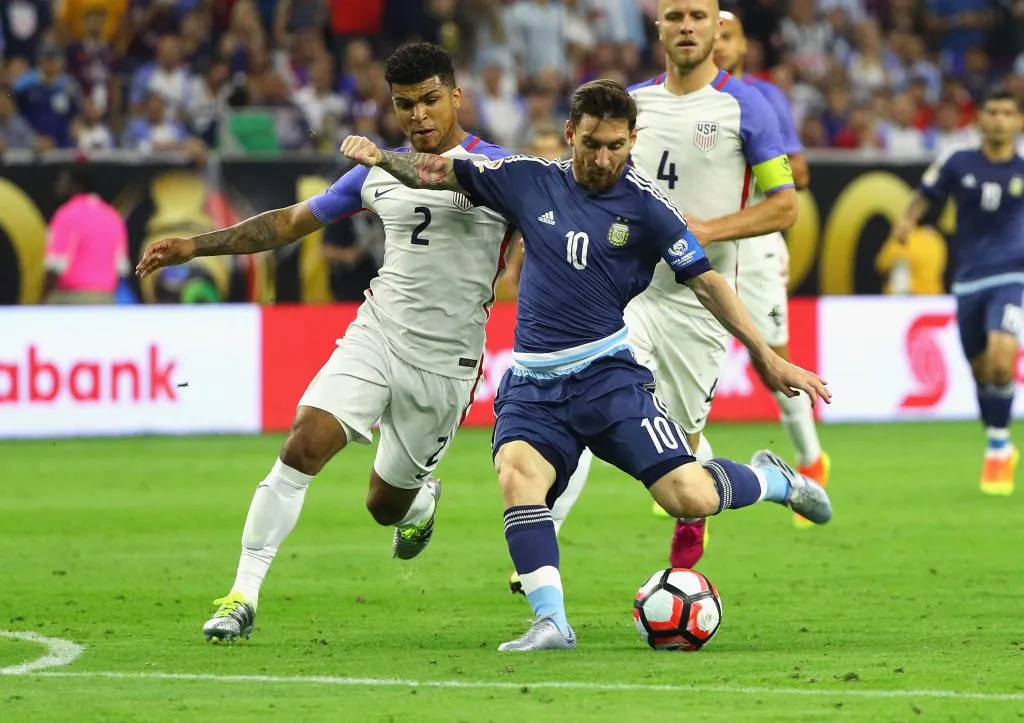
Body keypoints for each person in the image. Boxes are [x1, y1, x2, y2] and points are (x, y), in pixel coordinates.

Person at [340, 77, 833, 651]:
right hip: (532, 382)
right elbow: (442, 172)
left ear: (633, 139)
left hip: (607, 378)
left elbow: (708, 283)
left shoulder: (649, 208)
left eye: (616, 146)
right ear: (570, 134)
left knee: (688, 498)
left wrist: (767, 358)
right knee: (518, 477)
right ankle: (552, 621)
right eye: (591, 144)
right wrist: (383, 158)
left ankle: (775, 478)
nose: (602, 159)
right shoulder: (527, 179)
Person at [135, 42, 512, 641]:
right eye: (404, 104)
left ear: (457, 96)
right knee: (304, 443)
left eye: (430, 101)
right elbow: (287, 222)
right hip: (379, 332)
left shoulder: (499, 170)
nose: (418, 116)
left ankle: (419, 501)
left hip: (448, 362)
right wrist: (196, 244)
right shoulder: (374, 174)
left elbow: (480, 194)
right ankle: (241, 595)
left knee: (383, 505)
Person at [543, 0, 805, 575]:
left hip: (698, 301)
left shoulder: (749, 106)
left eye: (698, 16)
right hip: (626, 295)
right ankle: (541, 548)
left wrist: (706, 230)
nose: (686, 26)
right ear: (658, 26)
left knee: (679, 450)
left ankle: (718, 504)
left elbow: (784, 206)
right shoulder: (635, 106)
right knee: (579, 405)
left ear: (717, 26)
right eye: (675, 16)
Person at [712, 9, 830, 527]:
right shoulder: (665, 103)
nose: (716, 43)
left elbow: (796, 172)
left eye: (727, 35)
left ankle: (810, 462)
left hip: (753, 245)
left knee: (772, 367)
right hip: (694, 249)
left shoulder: (760, 99)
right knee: (679, 370)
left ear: (742, 48)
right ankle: (689, 489)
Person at [892, 85, 1024, 496]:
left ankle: (999, 448)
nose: (1000, 119)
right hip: (968, 280)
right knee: (983, 371)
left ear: (1018, 121)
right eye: (993, 111)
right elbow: (925, 193)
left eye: (1007, 112)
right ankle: (997, 438)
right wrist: (906, 221)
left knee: (1003, 361)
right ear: (980, 119)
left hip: (1013, 276)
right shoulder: (958, 159)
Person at [44, 168, 129, 305]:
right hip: (106, 298)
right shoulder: (112, 215)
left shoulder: (66, 214)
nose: (58, 186)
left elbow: (55, 266)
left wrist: (42, 299)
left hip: (72, 297)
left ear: (76, 185)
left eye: (63, 182)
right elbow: (120, 268)